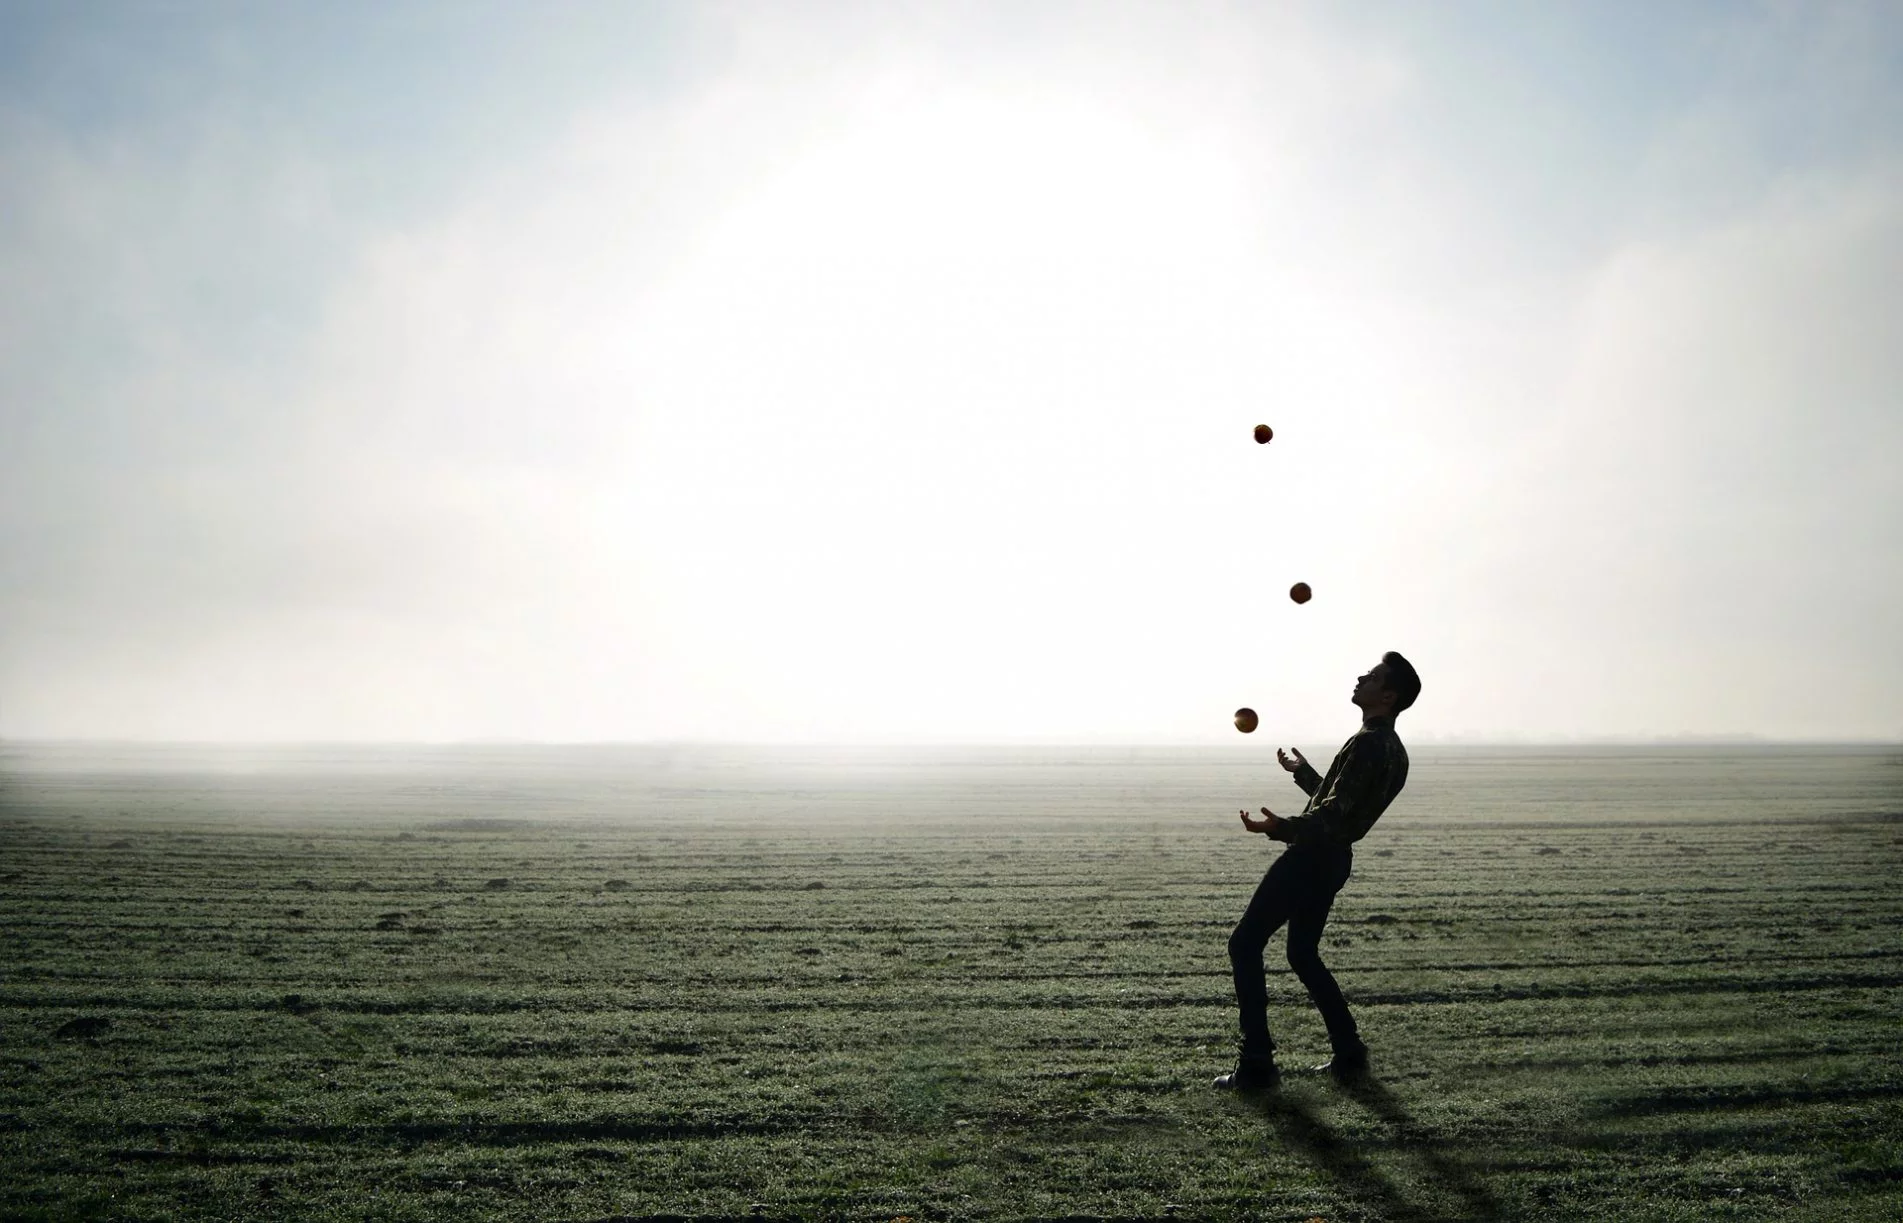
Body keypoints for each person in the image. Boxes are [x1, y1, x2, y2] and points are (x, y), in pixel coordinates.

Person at [1216, 651, 1420, 1091]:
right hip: (1334, 860)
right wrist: (1304, 773)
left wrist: (1280, 828)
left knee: (1244, 944)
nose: (1361, 677)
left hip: (1312, 856)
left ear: (1388, 695)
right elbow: (1343, 805)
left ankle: (1256, 1064)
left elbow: (1331, 816)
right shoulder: (1392, 749)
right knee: (1302, 954)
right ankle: (1349, 1053)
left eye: (1373, 676)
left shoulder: (1368, 742)